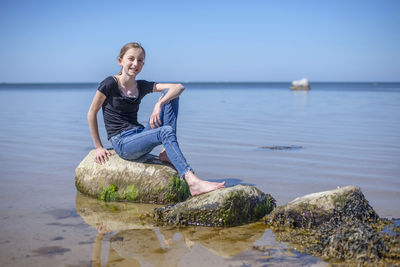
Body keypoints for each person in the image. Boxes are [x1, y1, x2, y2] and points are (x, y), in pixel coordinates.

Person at [88, 42, 225, 196]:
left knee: (171, 97)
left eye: (140, 60)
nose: (135, 64)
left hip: (139, 134)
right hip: (123, 143)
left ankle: (166, 152)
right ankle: (192, 181)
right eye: (131, 59)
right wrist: (98, 147)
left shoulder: (140, 85)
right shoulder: (109, 84)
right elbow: (92, 113)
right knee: (165, 131)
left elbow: (178, 87)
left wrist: (159, 104)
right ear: (120, 61)